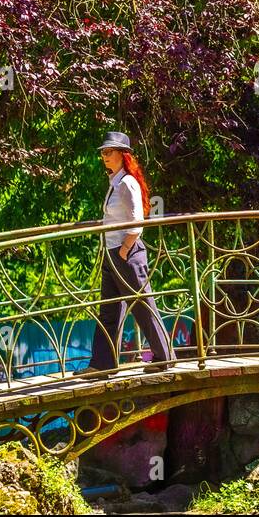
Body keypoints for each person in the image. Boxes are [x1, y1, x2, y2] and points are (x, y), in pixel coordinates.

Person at [89, 131, 175, 373]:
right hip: (112, 252)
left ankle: (164, 357)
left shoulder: (127, 183)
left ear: (122, 155)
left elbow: (137, 222)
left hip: (126, 253)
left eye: (109, 152)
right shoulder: (114, 183)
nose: (104, 156)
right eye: (103, 153)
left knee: (143, 305)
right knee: (109, 309)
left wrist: (124, 251)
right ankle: (102, 365)